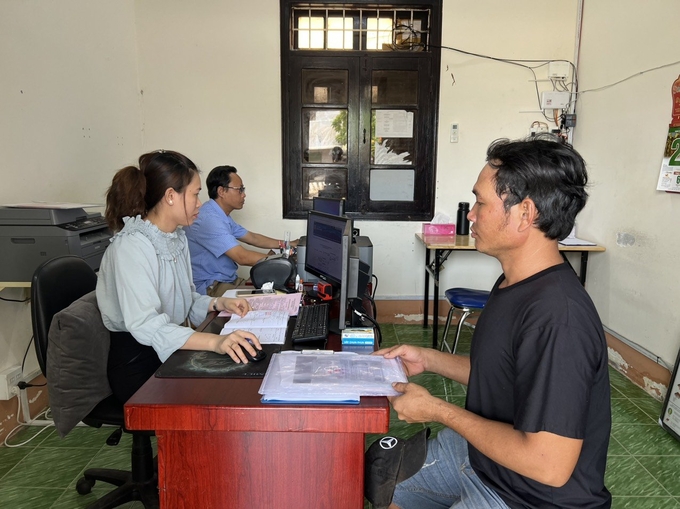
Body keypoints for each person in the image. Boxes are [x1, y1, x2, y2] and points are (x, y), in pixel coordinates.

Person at [377, 135, 611, 509]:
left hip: (529, 496)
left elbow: (548, 465)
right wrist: (429, 359)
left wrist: (438, 410)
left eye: (481, 203)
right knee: (380, 484)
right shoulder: (513, 282)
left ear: (525, 213)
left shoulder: (558, 319)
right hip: (484, 461)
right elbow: (505, 374)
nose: (470, 214)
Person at [96, 150, 263, 403]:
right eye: (195, 194)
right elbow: (147, 325)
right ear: (171, 196)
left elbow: (185, 298)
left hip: (169, 345)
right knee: (218, 395)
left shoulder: (176, 237)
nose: (199, 203)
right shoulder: (131, 247)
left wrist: (219, 303)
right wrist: (215, 342)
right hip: (139, 361)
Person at [185, 165, 298, 296]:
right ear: (221, 191)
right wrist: (285, 261)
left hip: (227, 281)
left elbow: (252, 238)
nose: (244, 195)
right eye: (240, 190)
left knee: (274, 290)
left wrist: (288, 243)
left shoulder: (220, 214)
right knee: (273, 297)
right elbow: (242, 257)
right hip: (211, 288)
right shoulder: (209, 219)